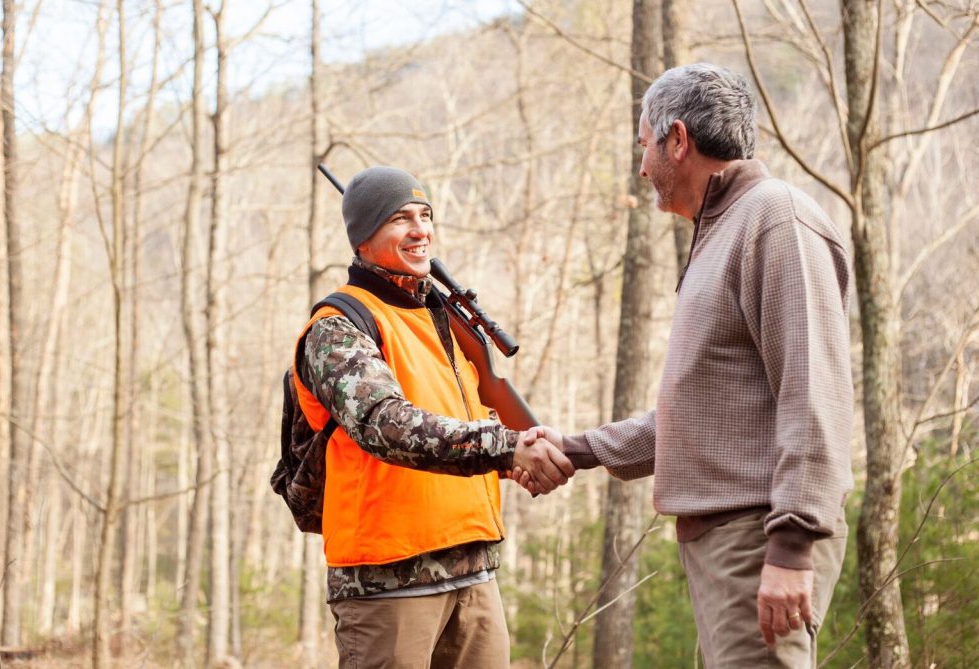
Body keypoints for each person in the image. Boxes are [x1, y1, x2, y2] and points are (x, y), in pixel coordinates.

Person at [519, 63, 854, 667]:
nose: (642, 167)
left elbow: (814, 391)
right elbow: (705, 412)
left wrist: (791, 544)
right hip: (730, 542)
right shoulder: (723, 230)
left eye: (645, 147)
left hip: (759, 537)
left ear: (678, 140)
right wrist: (578, 448)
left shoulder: (775, 218)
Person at [295, 165, 574, 668]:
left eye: (425, 216)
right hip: (388, 582)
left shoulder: (441, 319)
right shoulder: (338, 327)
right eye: (400, 218)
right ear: (362, 238)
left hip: (472, 572)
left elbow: (460, 418)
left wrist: (508, 459)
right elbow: (385, 424)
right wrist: (504, 445)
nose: (421, 229)